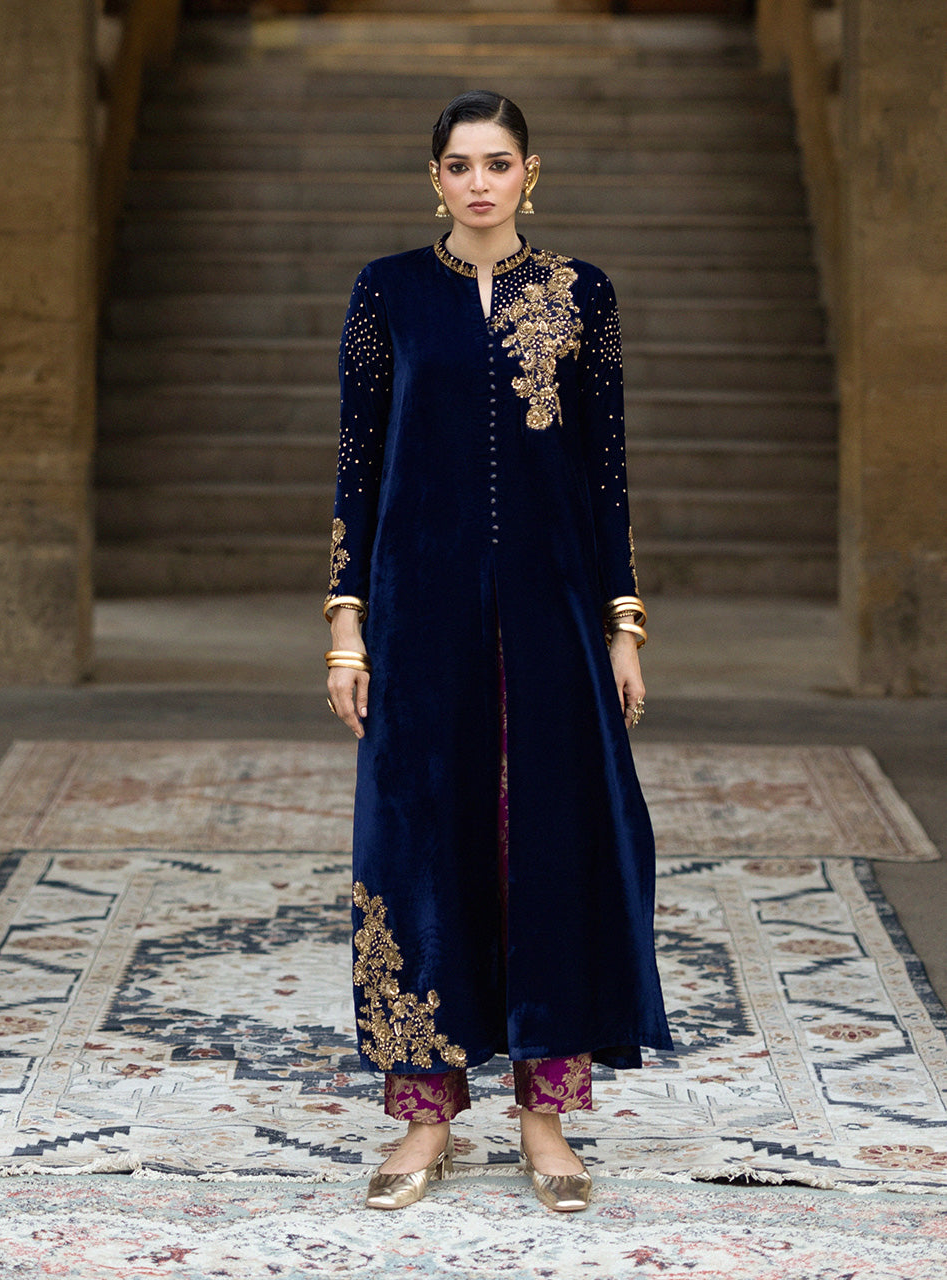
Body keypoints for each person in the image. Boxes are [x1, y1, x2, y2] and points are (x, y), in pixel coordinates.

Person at [324, 90, 672, 1213]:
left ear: (532, 172)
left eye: (499, 162)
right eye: (461, 164)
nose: (480, 181)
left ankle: (545, 1115)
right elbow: (357, 463)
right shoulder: (388, 291)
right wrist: (346, 624)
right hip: (417, 612)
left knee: (552, 842)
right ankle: (425, 1117)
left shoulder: (582, 294)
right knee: (418, 846)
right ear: (434, 177)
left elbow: (605, 469)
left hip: (551, 610)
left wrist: (622, 623)